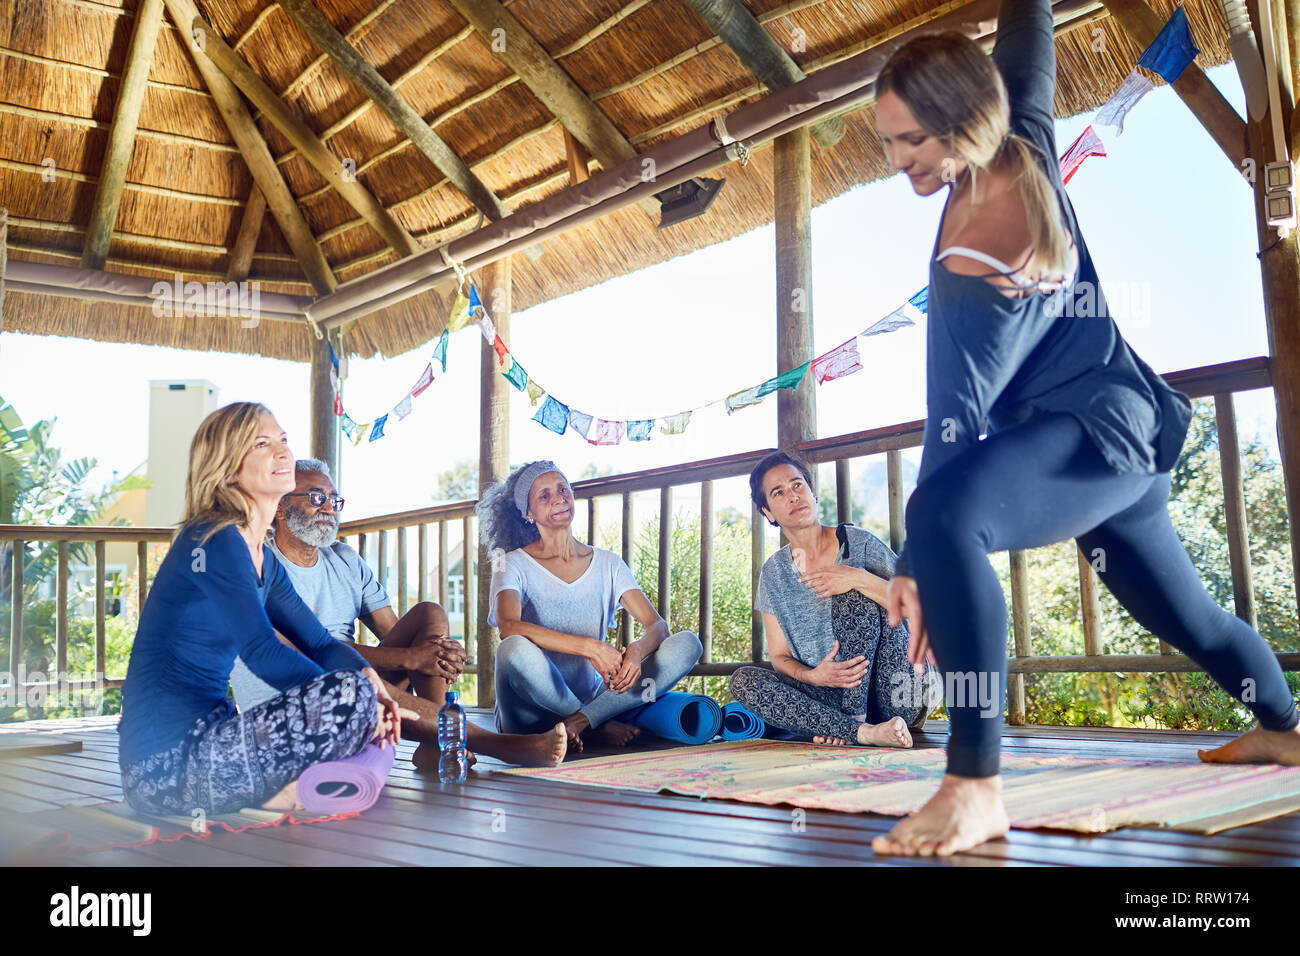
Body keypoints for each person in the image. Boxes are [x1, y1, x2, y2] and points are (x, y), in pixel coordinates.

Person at [869, 0, 1300, 856]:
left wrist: (921, 560)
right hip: (1120, 438)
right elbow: (1031, 52)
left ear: (960, 121)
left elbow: (954, 424)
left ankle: (974, 784)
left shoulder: (973, 268)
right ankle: (1287, 730)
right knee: (1186, 617)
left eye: (912, 141)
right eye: (887, 141)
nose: (898, 160)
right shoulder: (1021, 139)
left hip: (1086, 442)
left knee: (945, 513)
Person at [117, 403, 411, 816]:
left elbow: (321, 643)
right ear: (227, 467)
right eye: (262, 443)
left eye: (283, 440)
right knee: (351, 700)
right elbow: (260, 651)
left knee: (358, 695)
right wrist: (358, 695)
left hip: (214, 735)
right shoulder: (211, 540)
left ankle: (273, 789)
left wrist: (370, 682)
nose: (282, 452)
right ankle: (271, 790)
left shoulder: (262, 557)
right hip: (161, 767)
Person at [228, 459, 566, 769]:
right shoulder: (259, 565)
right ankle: (498, 744)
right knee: (358, 675)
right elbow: (306, 652)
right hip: (295, 695)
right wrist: (410, 658)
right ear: (279, 508)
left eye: (334, 499)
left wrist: (438, 654)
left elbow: (394, 630)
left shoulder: (344, 559)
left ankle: (436, 746)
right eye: (316, 498)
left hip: (353, 679)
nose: (330, 508)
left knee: (429, 614)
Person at [480, 460, 703, 751]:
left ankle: (581, 723)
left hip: (592, 701)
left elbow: (657, 625)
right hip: (528, 714)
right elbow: (509, 626)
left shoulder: (608, 563)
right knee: (512, 648)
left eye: (563, 489)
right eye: (544, 496)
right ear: (528, 513)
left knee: (688, 643)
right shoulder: (509, 563)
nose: (558, 498)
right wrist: (590, 647)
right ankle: (595, 725)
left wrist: (637, 651)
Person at [730, 453, 939, 747]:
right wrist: (813, 676)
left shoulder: (859, 543)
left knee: (853, 590)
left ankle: (851, 721)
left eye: (797, 485)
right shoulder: (773, 573)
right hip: (828, 695)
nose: (793, 496)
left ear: (812, 493)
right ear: (769, 513)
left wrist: (857, 578)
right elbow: (779, 656)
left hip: (894, 689)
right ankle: (863, 733)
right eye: (779, 492)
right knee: (743, 681)